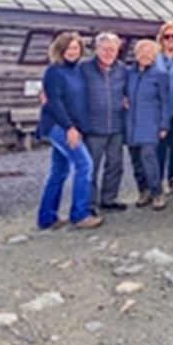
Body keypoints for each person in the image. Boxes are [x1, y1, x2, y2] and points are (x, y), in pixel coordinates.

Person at [37, 32, 103, 230]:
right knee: (84, 165)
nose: (72, 52)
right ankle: (80, 214)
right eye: (68, 48)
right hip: (58, 126)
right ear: (60, 49)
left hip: (72, 125)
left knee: (59, 171)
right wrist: (69, 128)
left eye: (75, 48)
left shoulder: (78, 70)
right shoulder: (54, 71)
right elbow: (54, 103)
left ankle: (47, 217)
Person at [80, 32, 129, 214]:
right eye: (104, 49)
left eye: (112, 49)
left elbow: (131, 90)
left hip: (116, 126)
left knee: (115, 166)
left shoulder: (123, 70)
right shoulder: (84, 68)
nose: (108, 53)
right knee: (91, 168)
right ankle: (90, 203)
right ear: (96, 49)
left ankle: (109, 199)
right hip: (93, 127)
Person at [124, 39, 172, 210]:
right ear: (136, 55)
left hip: (150, 124)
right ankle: (143, 190)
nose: (145, 56)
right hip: (131, 123)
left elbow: (165, 102)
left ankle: (157, 192)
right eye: (142, 52)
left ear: (154, 56)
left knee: (149, 159)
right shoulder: (129, 73)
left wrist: (164, 125)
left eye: (149, 53)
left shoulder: (160, 75)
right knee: (135, 161)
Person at [154, 22, 173, 194]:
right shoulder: (154, 57)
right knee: (159, 146)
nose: (171, 40)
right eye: (167, 36)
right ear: (161, 39)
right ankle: (157, 179)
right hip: (159, 109)